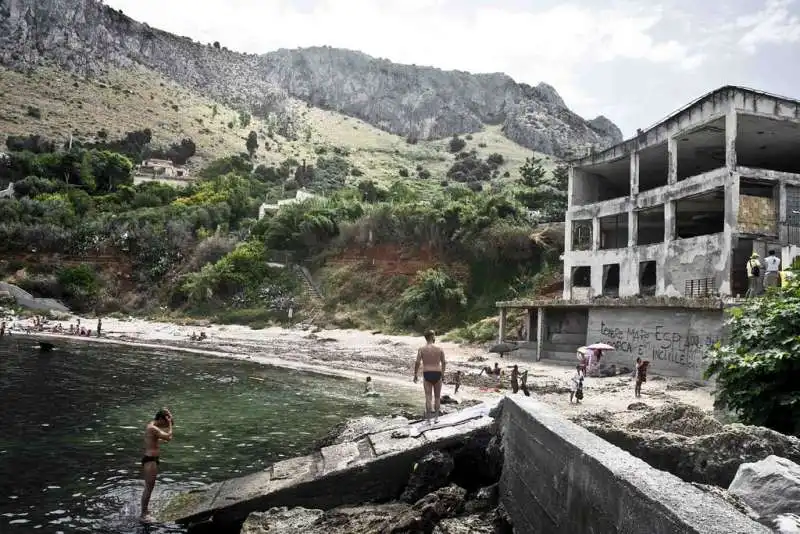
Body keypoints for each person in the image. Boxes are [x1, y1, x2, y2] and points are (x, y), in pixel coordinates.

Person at [140, 408, 173, 522]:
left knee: (149, 487)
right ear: (160, 419)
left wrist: (167, 416)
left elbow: (156, 440)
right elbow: (169, 436)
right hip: (150, 460)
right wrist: (169, 424)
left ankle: (145, 511)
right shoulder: (152, 428)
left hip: (151, 459)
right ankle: (144, 514)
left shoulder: (151, 426)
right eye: (164, 422)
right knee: (149, 488)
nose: (165, 425)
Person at [413, 330, 446, 423]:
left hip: (427, 373)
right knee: (437, 397)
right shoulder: (439, 348)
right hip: (437, 373)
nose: (435, 337)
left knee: (428, 397)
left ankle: (428, 420)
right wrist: (443, 373)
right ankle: (436, 418)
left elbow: (417, 362)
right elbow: (444, 362)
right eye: (434, 335)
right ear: (432, 336)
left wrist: (415, 374)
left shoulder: (421, 349)